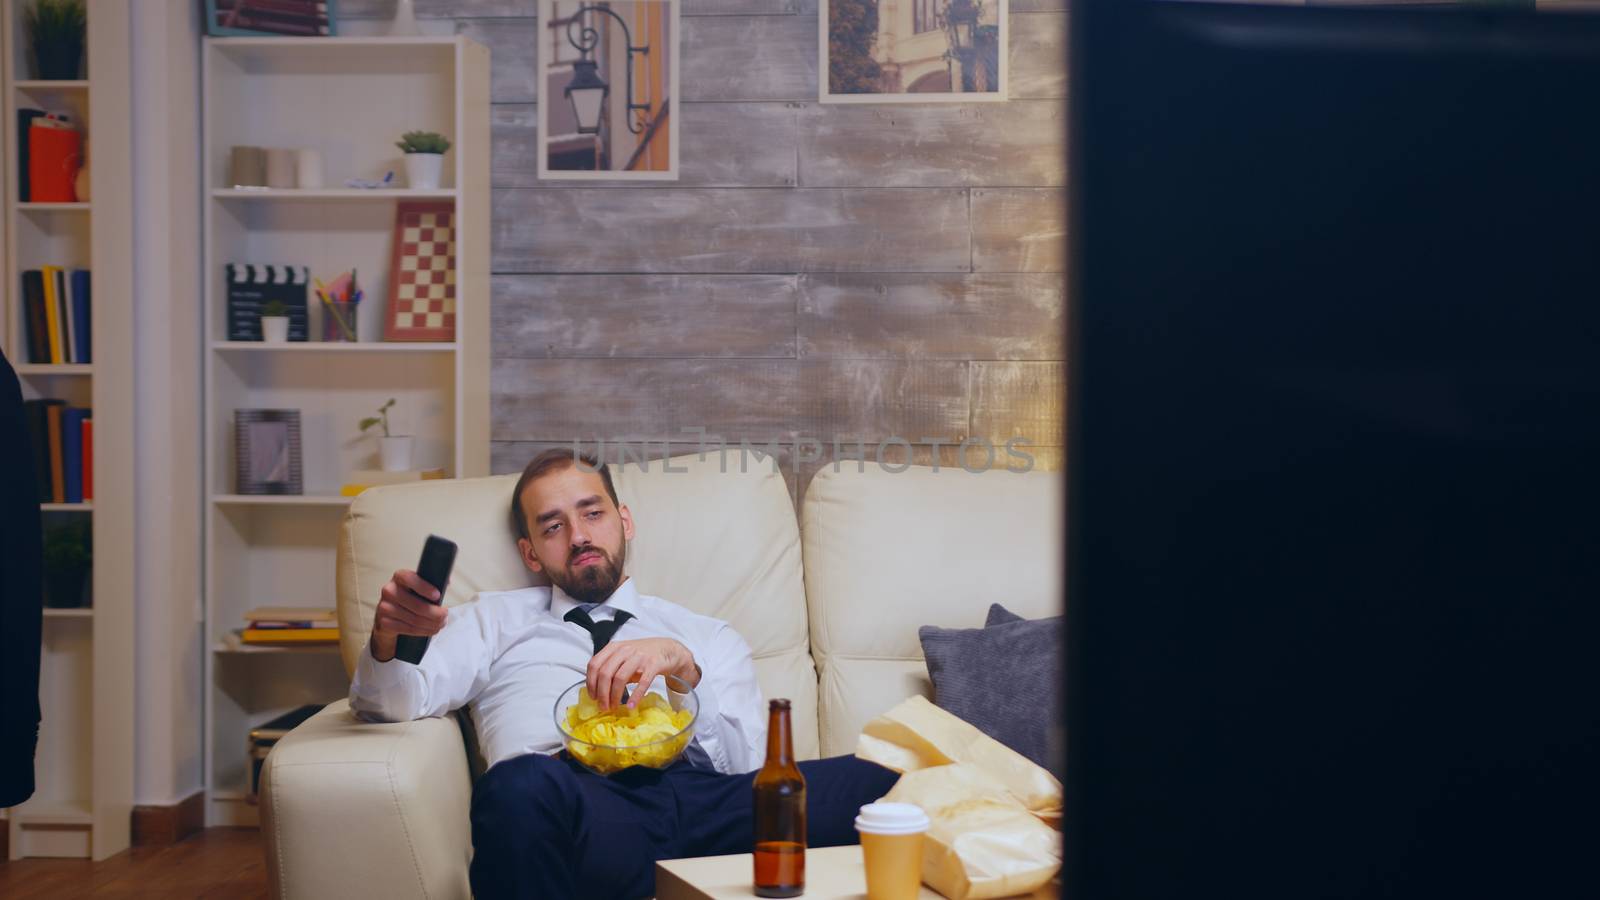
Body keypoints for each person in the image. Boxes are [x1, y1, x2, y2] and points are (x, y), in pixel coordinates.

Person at [349, 448, 899, 899]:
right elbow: (393, 704)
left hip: (706, 804)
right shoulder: (494, 619)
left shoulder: (704, 635)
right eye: (553, 526)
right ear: (532, 552)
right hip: (577, 805)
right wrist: (388, 641)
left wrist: (683, 671)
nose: (580, 536)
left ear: (624, 520)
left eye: (593, 513)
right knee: (517, 786)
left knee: (883, 782)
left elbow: (747, 768)